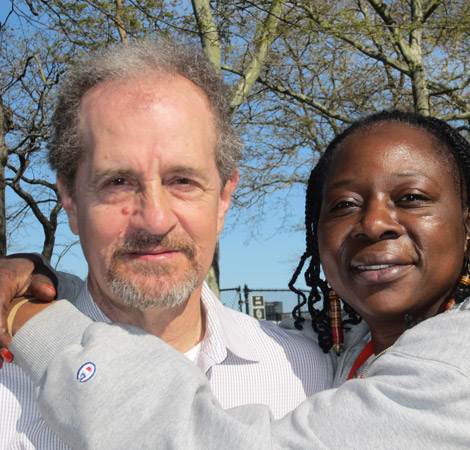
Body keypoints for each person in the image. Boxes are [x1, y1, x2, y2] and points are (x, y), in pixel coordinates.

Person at [6, 110, 470, 448]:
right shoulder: (346, 359)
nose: (374, 223)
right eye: (343, 205)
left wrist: (30, 317)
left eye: (412, 197)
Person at [0, 40, 330, 448]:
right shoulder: (5, 387)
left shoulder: (308, 375)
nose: (154, 220)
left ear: (224, 198)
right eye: (117, 183)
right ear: (69, 199)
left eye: (183, 181)